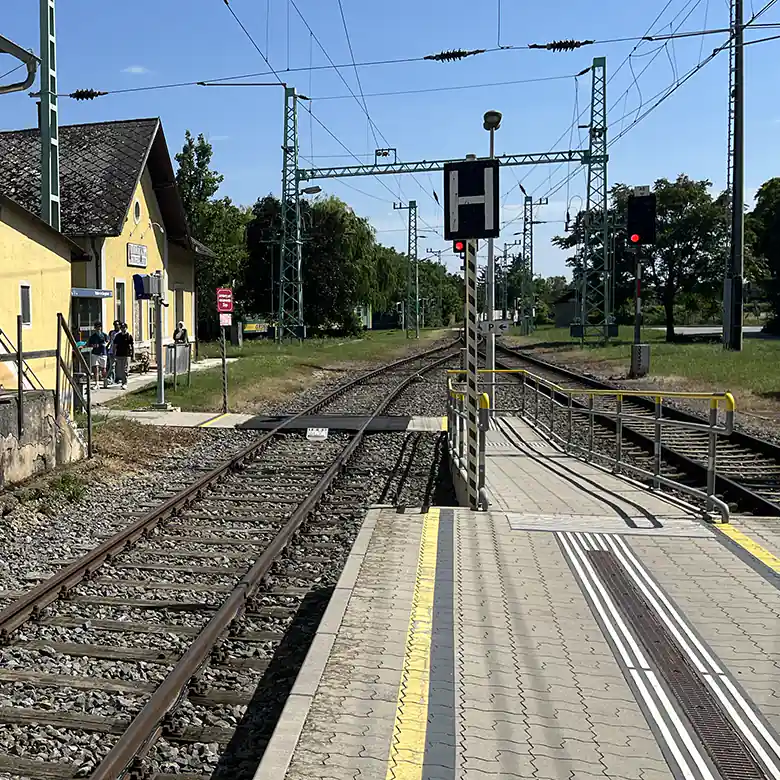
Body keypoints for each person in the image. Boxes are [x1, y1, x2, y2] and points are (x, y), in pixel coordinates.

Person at [112, 323, 134, 390]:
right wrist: (114, 354)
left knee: (125, 370)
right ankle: (121, 381)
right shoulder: (117, 336)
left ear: (126, 328)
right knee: (120, 370)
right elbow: (114, 346)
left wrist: (133, 355)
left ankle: (124, 383)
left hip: (126, 355)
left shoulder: (129, 335)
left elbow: (132, 346)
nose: (123, 329)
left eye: (124, 327)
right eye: (122, 328)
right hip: (119, 355)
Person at [87, 321, 108, 389]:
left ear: (101, 328)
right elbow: (89, 344)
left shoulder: (104, 335)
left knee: (103, 369)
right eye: (96, 327)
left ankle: (105, 381)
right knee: (95, 368)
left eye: (99, 327)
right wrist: (90, 345)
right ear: (95, 328)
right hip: (95, 353)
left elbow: (107, 342)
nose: (98, 328)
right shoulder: (92, 337)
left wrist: (105, 344)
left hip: (103, 353)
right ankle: (97, 383)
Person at [105, 320, 121, 387]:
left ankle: (118, 378)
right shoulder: (111, 332)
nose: (116, 326)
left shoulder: (122, 332)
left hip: (120, 352)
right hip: (111, 351)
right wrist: (107, 347)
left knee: (119, 366)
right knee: (112, 366)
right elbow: (109, 341)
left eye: (117, 324)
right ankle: (110, 379)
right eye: (114, 325)